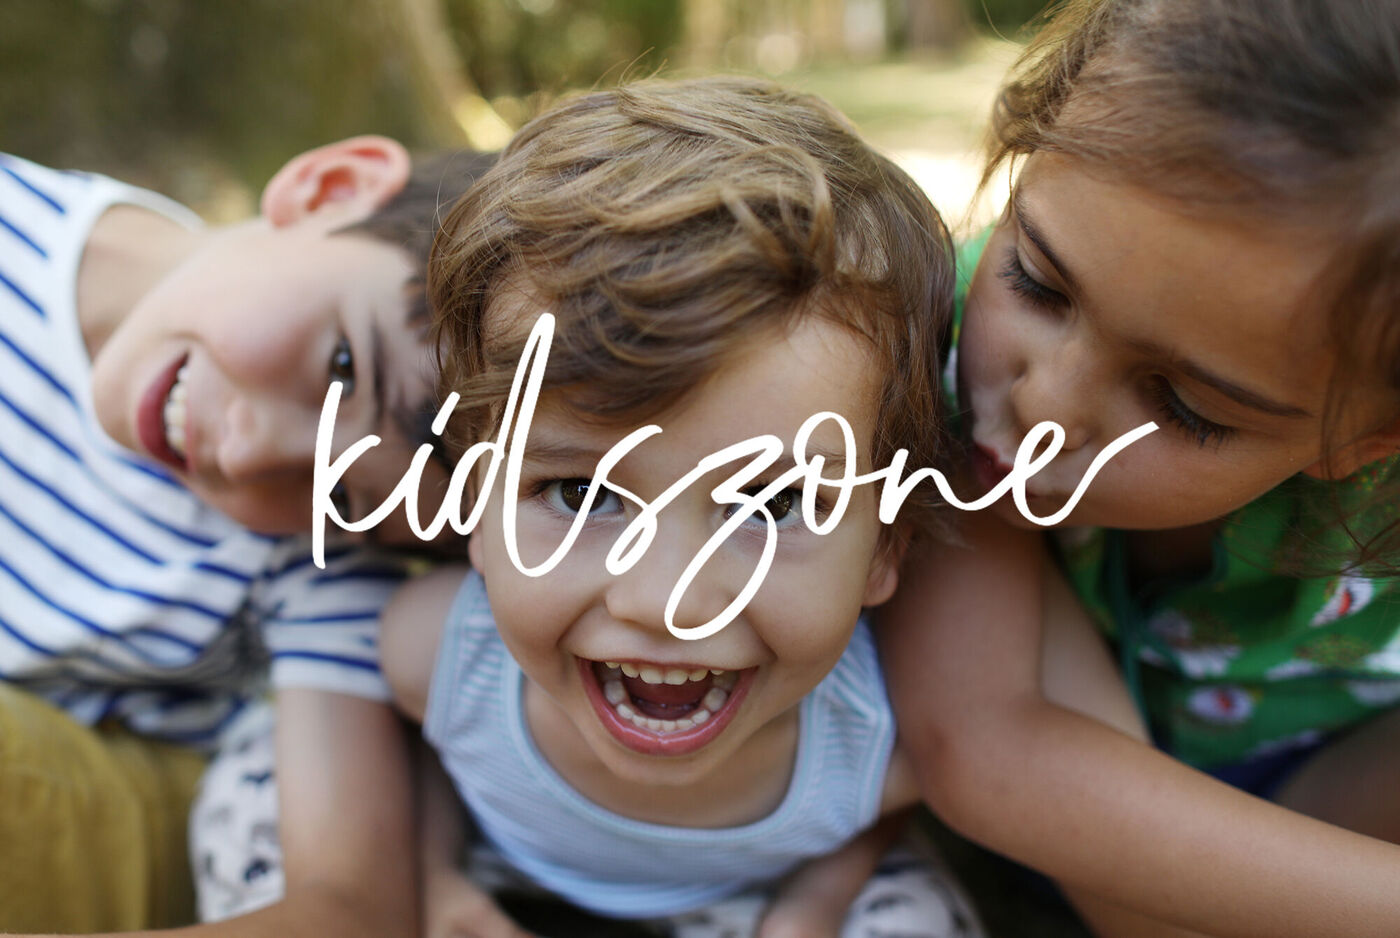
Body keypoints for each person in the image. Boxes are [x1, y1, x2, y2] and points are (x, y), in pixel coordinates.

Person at [380, 77, 984, 938]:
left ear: (886, 544)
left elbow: (867, 809)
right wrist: (434, 883)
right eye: (582, 495)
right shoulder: (431, 655)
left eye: (769, 506)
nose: (667, 601)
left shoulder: (884, 735)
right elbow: (418, 754)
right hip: (500, 871)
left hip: (754, 902)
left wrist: (812, 906)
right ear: (477, 505)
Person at [878, 1, 1400, 936]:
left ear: (1365, 444)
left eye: (1185, 405)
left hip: (1325, 792)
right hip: (1072, 820)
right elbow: (987, 748)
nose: (1045, 404)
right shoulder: (938, 370)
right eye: (1036, 282)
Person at [0, 137, 493, 935]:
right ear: (331, 188)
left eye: (340, 495)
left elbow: (348, 907)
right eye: (340, 367)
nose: (245, 452)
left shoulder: (313, 568)